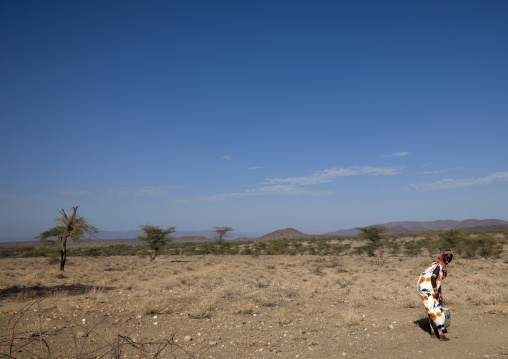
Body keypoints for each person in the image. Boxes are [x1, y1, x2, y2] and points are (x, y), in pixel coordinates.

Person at [417, 250, 453, 341]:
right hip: (427, 287)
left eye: (450, 258)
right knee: (435, 308)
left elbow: (438, 282)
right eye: (447, 257)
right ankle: (441, 335)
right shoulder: (439, 265)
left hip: (425, 286)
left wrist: (440, 296)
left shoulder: (437, 264)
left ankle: (433, 331)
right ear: (443, 256)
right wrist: (436, 292)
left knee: (431, 308)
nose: (448, 260)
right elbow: (433, 277)